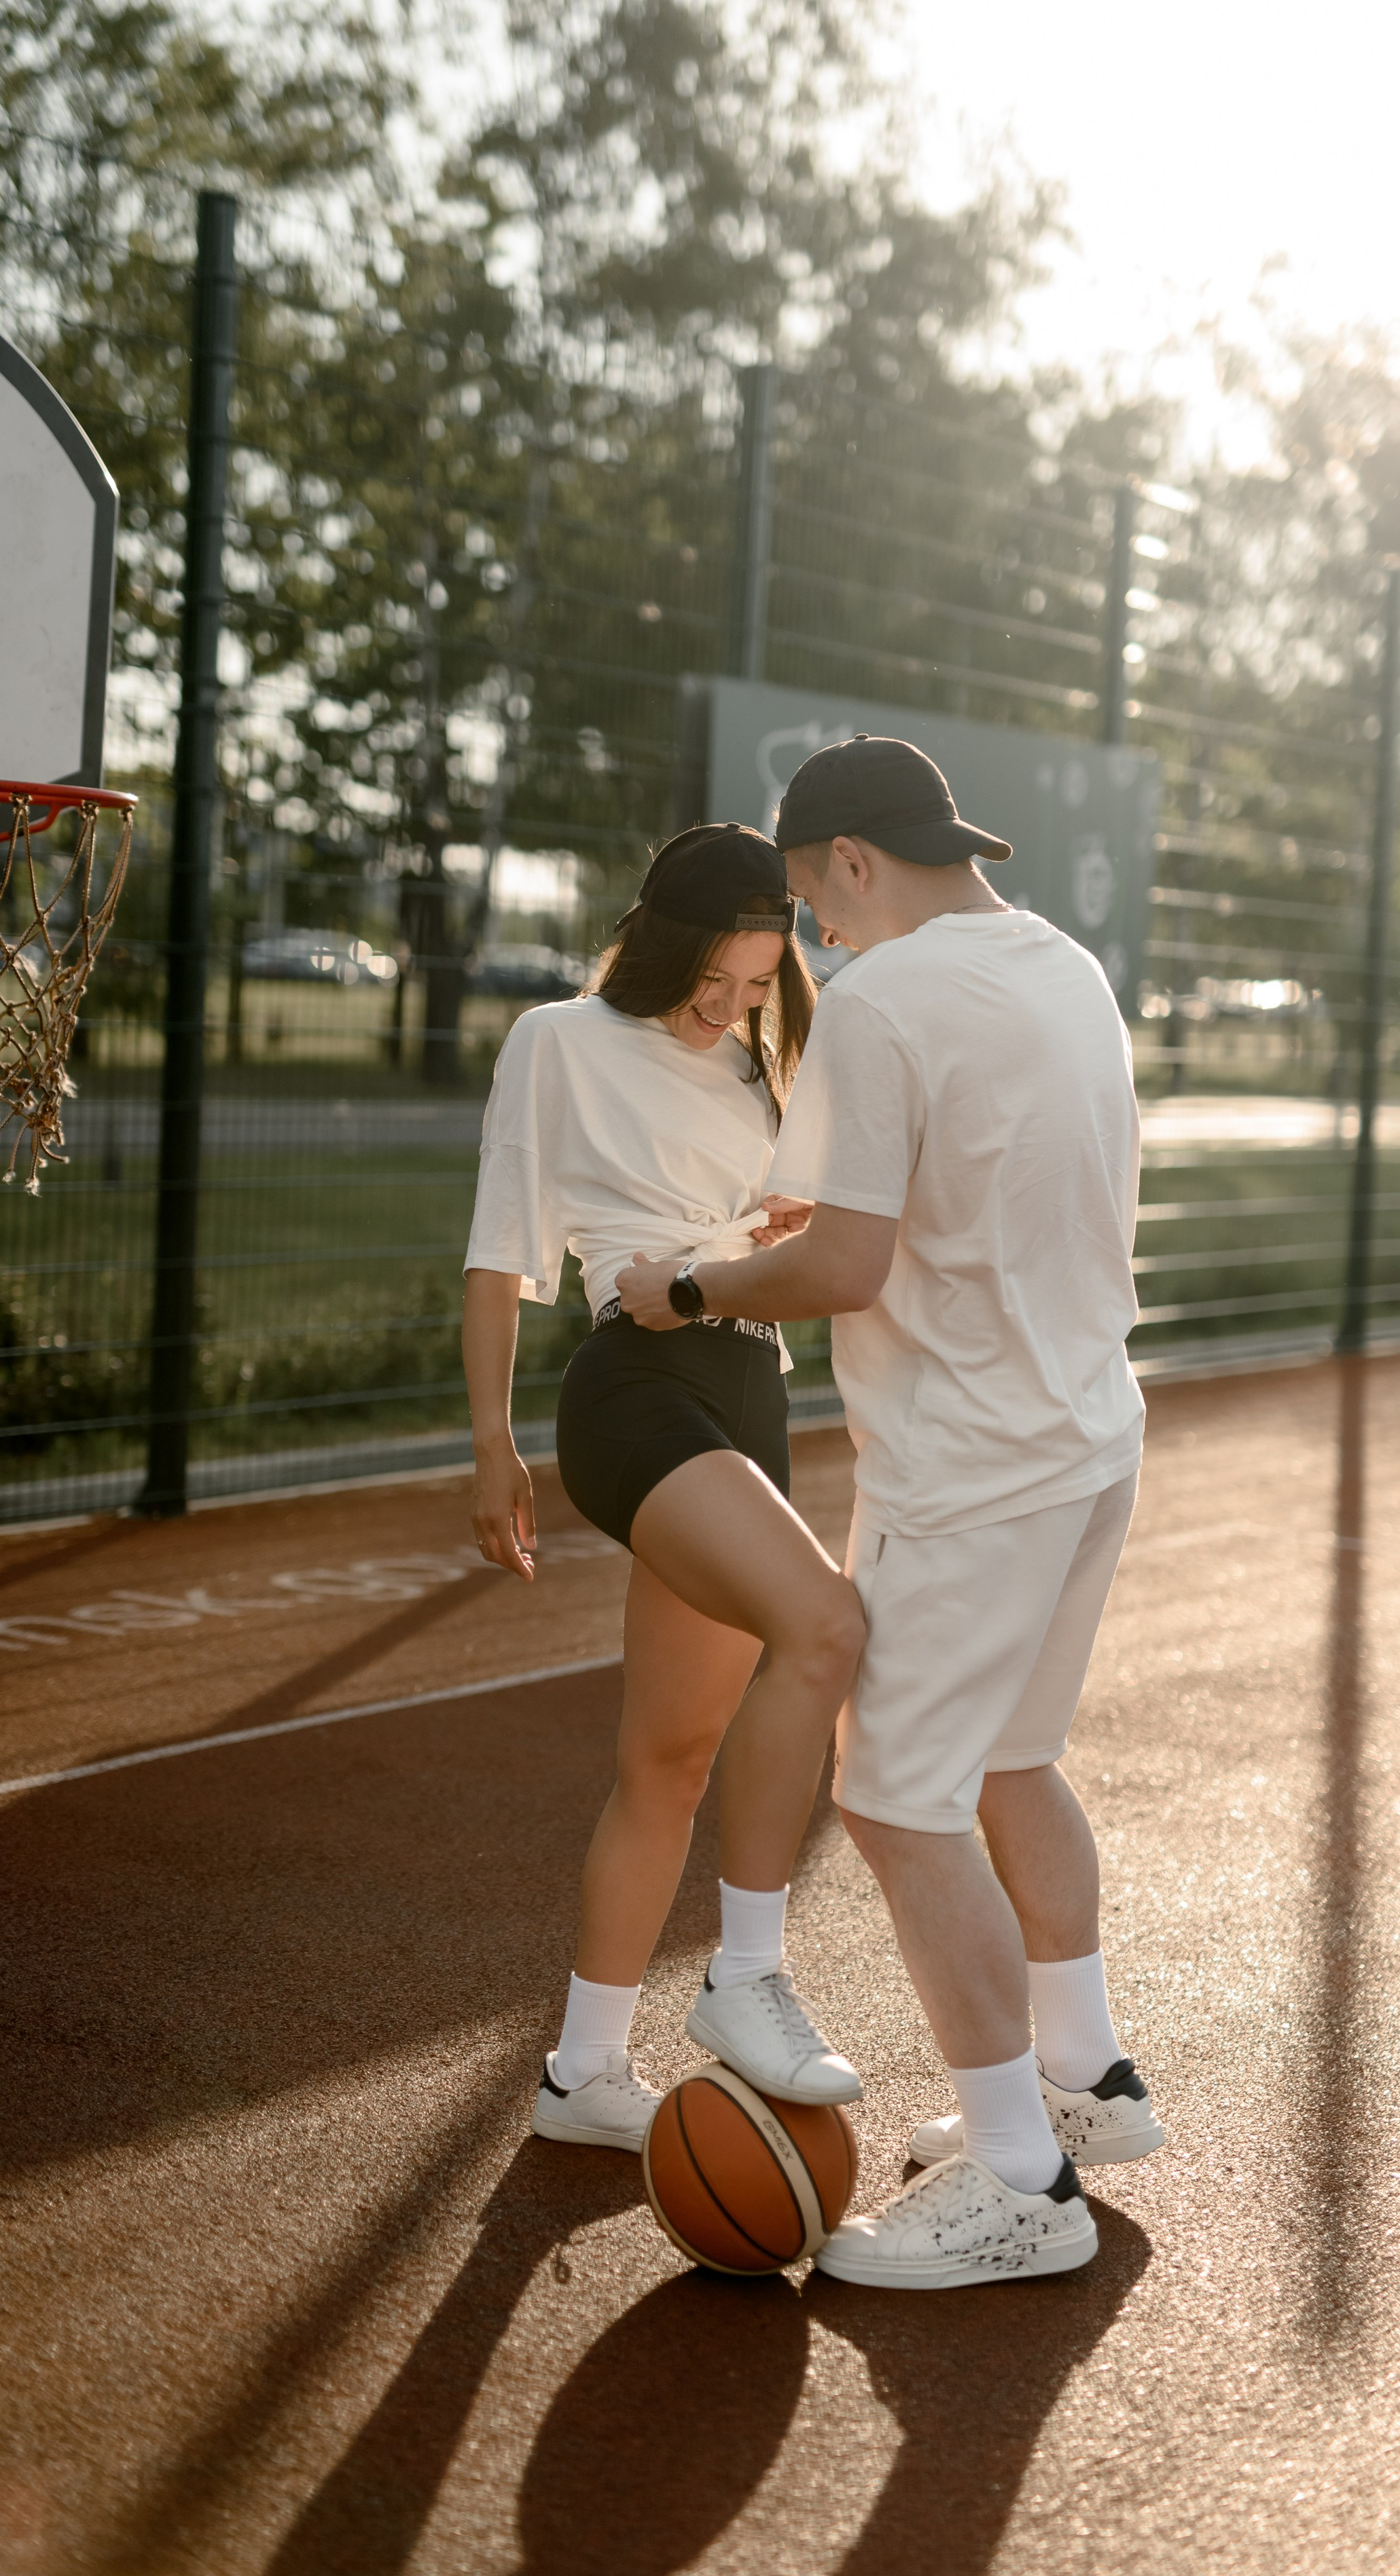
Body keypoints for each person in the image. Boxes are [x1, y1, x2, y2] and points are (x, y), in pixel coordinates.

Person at [620, 734, 1162, 2288]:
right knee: (1010, 1760)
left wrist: (683, 1287)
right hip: (1081, 1434)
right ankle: (1085, 2083)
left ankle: (1018, 2179)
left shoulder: (882, 998)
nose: (814, 939)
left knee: (896, 1802)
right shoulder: (1061, 966)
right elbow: (929, 1195)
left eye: (810, 904)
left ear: (850, 860)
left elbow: (840, 1266)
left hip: (972, 1469)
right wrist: (757, 1235)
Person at [462, 822, 867, 2154]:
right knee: (825, 1625)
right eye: (715, 976)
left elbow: (758, 1238)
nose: (731, 1004)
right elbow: (495, 1255)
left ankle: (581, 2073)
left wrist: (775, 1224)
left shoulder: (762, 1072)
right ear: (660, 941)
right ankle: (747, 1973)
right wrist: (489, 1441)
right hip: (636, 1391)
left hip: (753, 1391)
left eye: (756, 984)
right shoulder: (557, 1042)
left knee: (669, 1759)